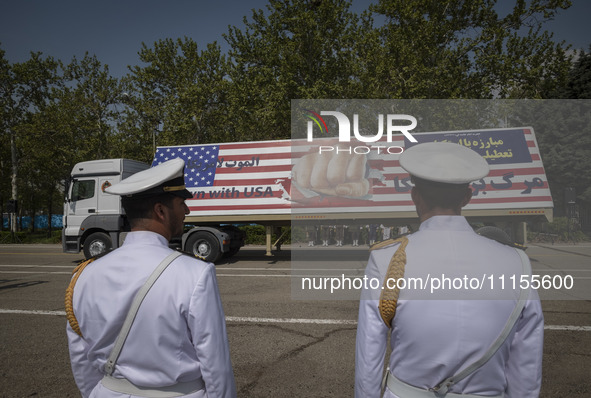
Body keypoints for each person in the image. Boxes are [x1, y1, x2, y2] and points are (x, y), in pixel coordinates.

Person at [355, 142, 544, 398]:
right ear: (468, 196)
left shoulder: (387, 258)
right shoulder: (516, 261)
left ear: (415, 196)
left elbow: (370, 353)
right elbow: (526, 366)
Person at [66, 158, 236, 398]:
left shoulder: (84, 275)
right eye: (181, 202)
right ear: (161, 211)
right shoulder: (195, 273)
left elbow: (81, 356)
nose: (187, 210)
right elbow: (215, 363)